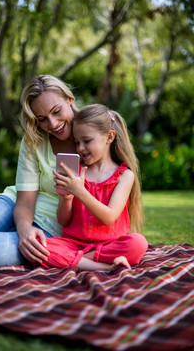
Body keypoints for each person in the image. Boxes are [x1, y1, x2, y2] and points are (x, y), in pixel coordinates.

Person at [0, 75, 79, 268]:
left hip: (53, 228)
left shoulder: (94, 132)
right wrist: (24, 229)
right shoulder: (34, 139)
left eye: (56, 111)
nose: (53, 124)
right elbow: (25, 200)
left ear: (69, 100)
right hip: (15, 205)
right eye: (42, 119)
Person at [38, 104, 148, 271]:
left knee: (138, 244)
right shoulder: (76, 171)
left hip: (109, 244)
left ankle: (78, 262)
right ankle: (105, 267)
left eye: (87, 141)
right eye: (77, 142)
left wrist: (80, 192)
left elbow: (109, 217)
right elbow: (63, 220)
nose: (80, 148)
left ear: (109, 137)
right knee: (40, 246)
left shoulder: (125, 176)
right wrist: (66, 198)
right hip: (74, 244)